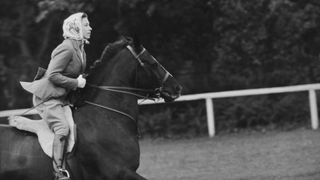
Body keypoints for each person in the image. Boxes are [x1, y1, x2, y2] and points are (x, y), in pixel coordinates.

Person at [19, 12, 92, 180]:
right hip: (48, 98)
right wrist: (76, 83)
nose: (90, 27)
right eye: (86, 25)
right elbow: (52, 75)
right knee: (62, 128)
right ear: (76, 28)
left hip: (62, 97)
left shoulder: (80, 49)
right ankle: (59, 171)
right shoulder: (66, 48)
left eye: (88, 24)